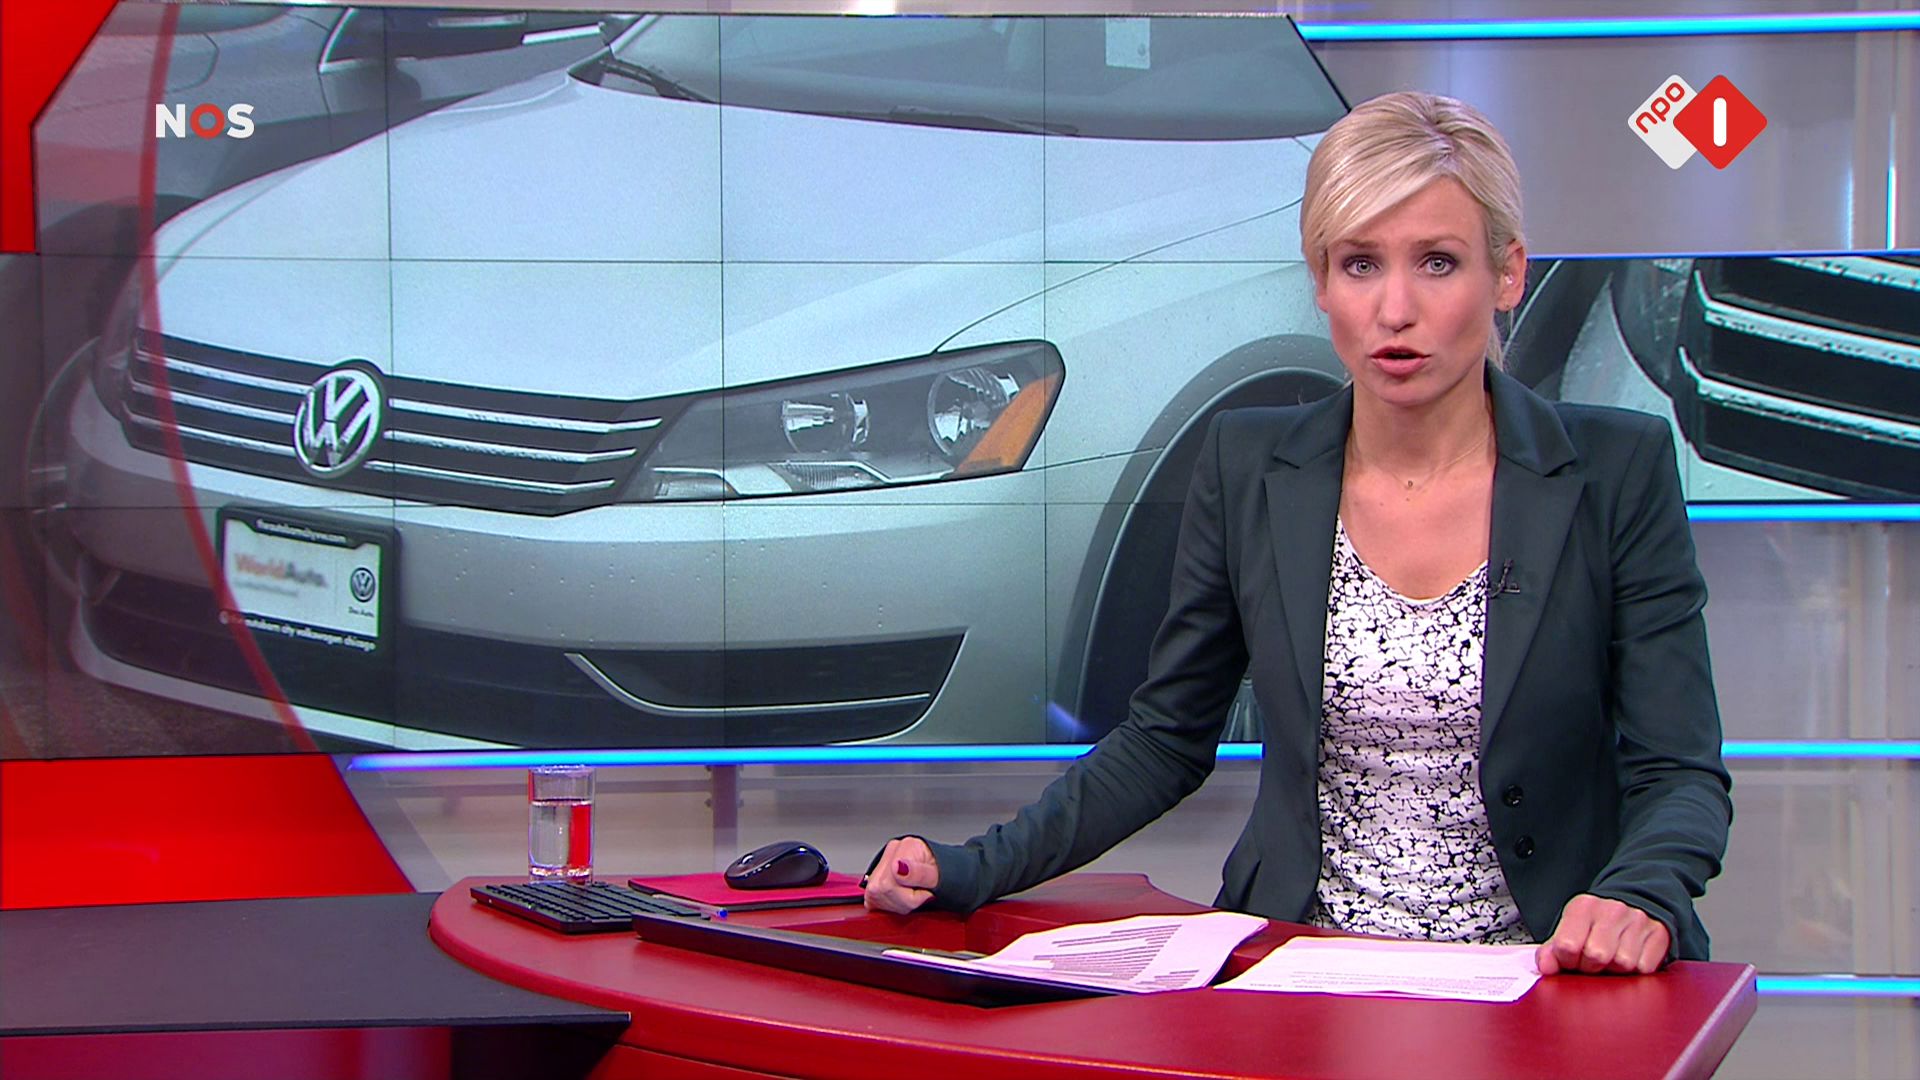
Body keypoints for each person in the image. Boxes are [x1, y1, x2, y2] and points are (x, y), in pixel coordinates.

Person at [862, 91, 1732, 975]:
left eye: (1437, 262)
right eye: (1360, 264)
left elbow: (1680, 772)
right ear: (1320, 280)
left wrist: (1638, 894)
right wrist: (976, 867)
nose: (1395, 308)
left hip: (1537, 973)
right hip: (1306, 966)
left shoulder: (1614, 471)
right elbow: (1164, 740)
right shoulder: (1249, 467)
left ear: (1507, 274)